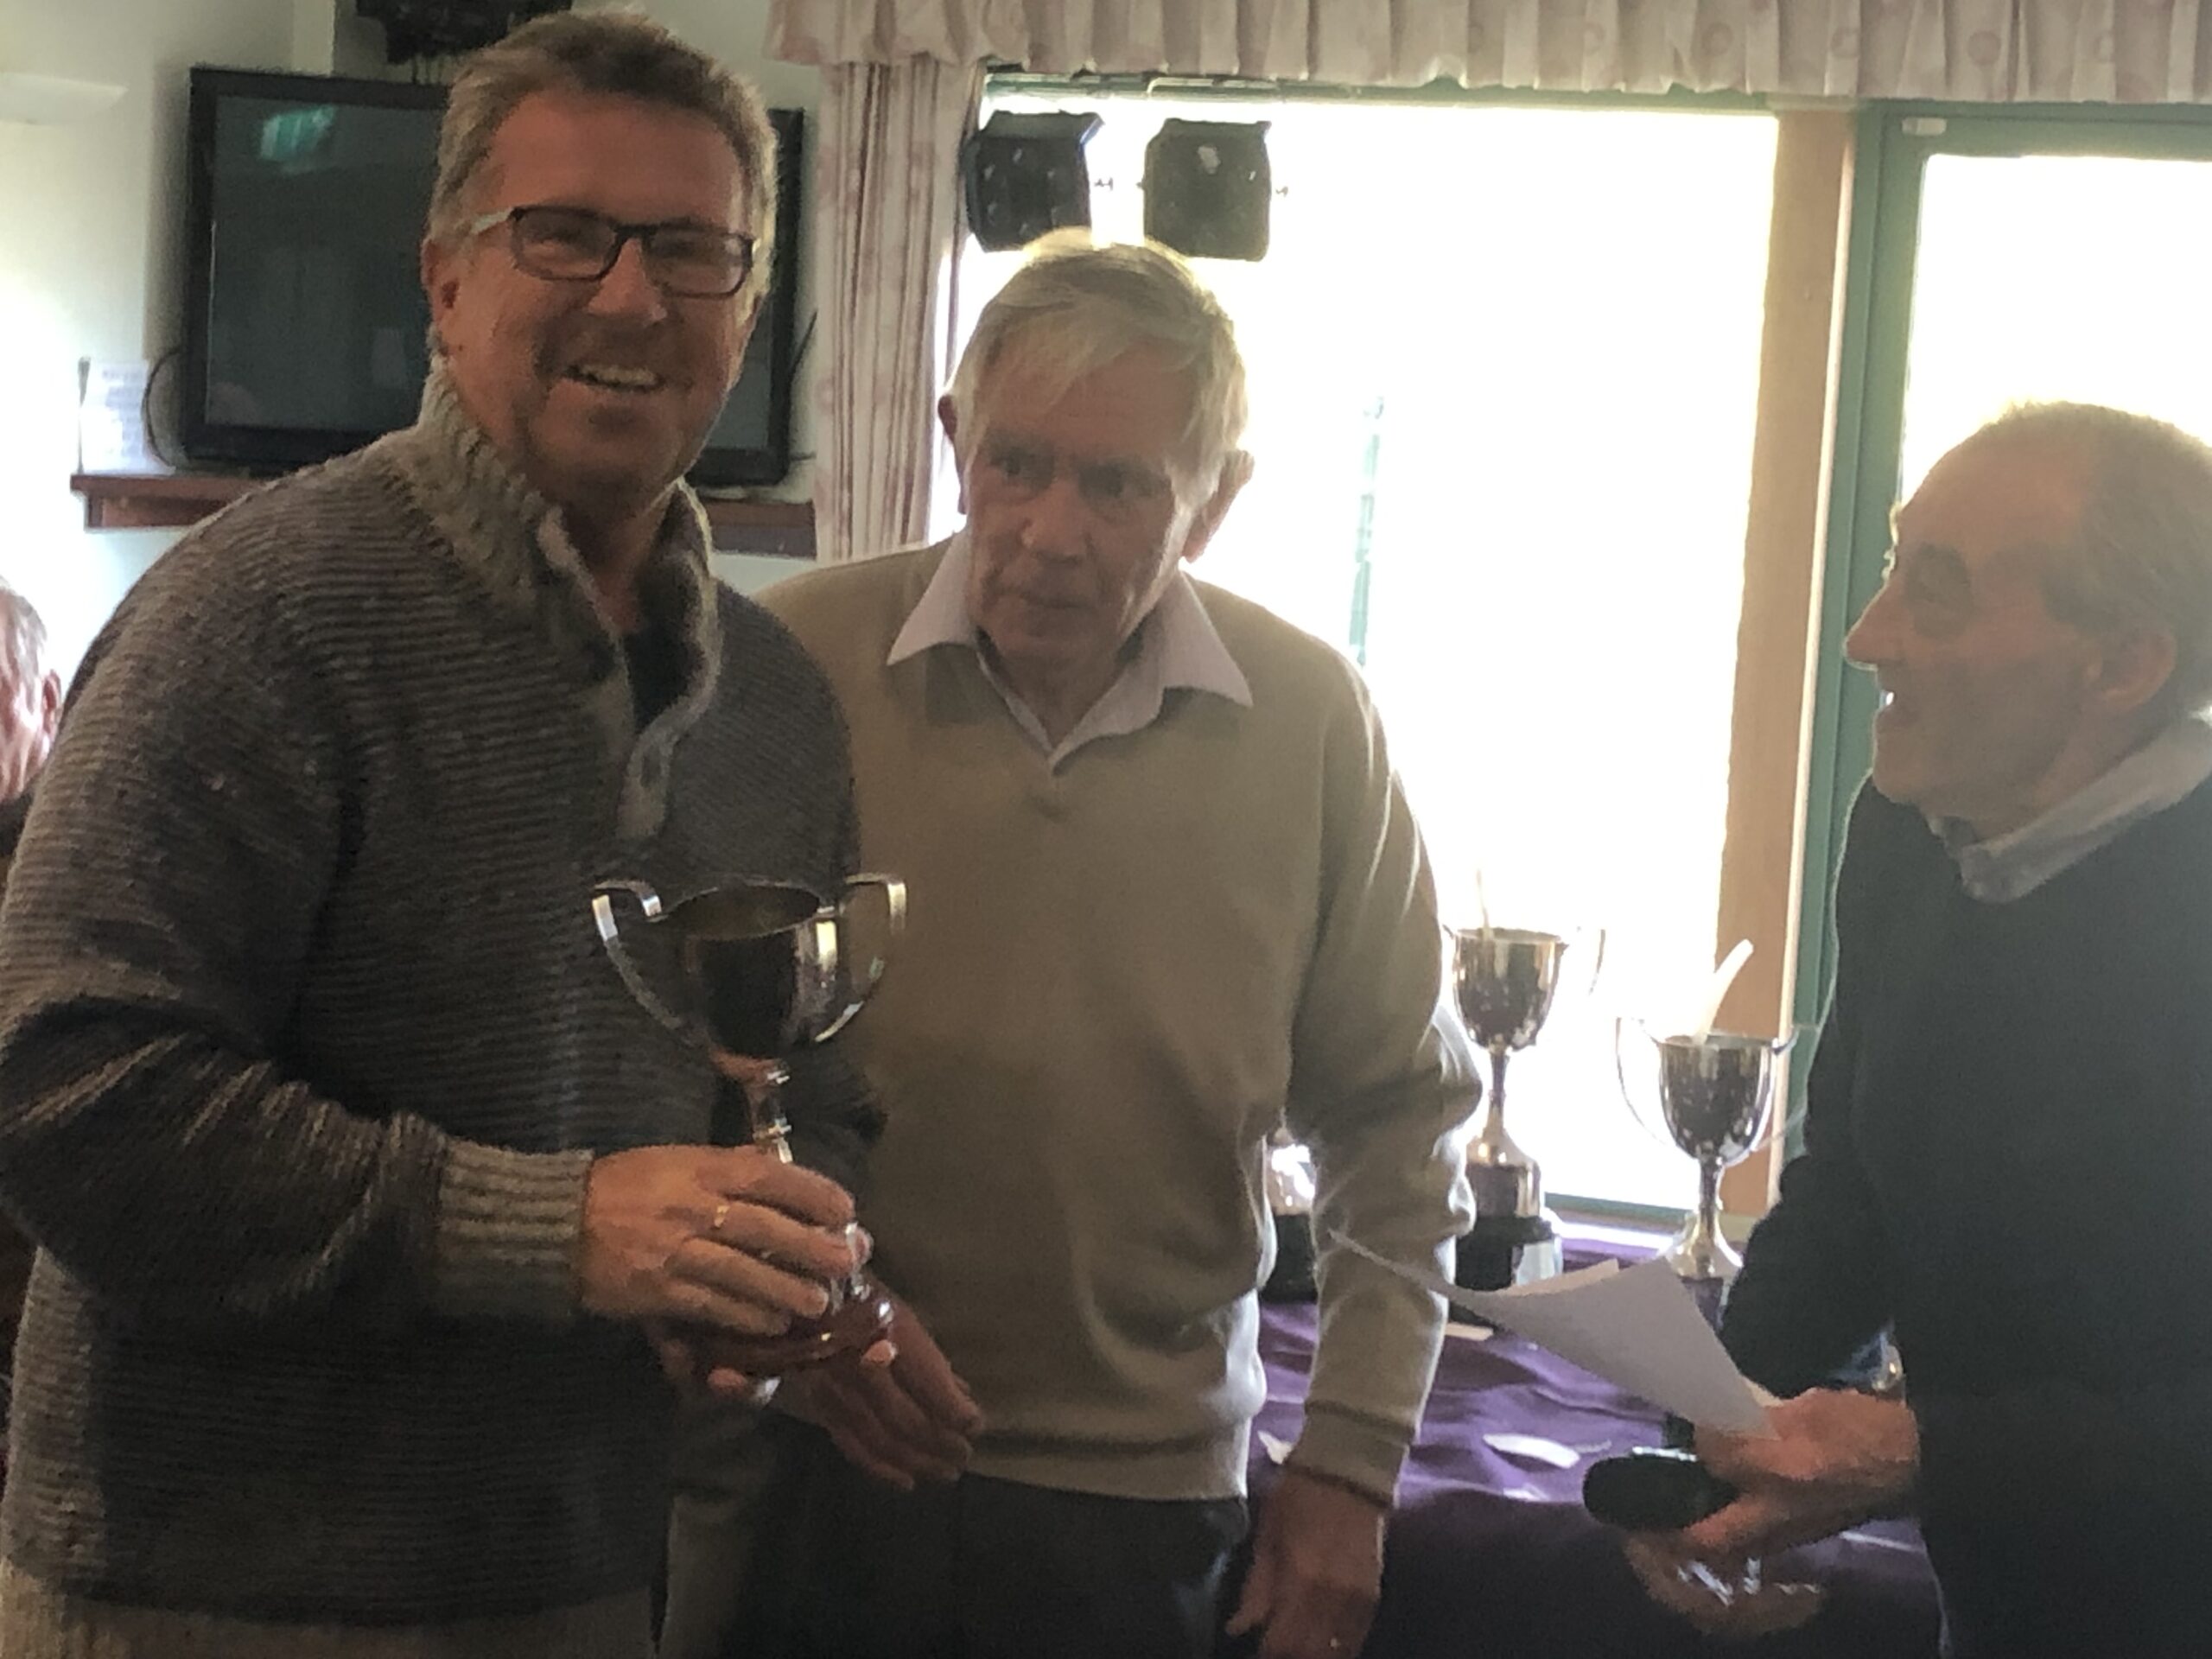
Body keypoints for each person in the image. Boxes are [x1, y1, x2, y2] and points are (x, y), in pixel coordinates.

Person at [0, 13, 874, 1656]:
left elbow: (804, 1092)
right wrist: (561, 1231)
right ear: (445, 279)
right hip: (211, 1601)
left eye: (693, 250)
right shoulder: (250, 616)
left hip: (584, 1574)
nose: (634, 297)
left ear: (749, 310)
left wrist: (778, 1275)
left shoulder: (775, 706)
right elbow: (64, 1097)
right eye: (565, 233)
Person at [697, 236, 1478, 1659]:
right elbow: (679, 1067)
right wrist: (811, 1314)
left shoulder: (1311, 722)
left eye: (1119, 485)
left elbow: (1398, 1120)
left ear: (1215, 500)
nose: (1051, 532)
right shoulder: (790, 663)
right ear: (955, 443)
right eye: (1017, 462)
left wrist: (1353, 1463)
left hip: (1142, 1503)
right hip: (818, 1453)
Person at [1625, 403, 2212, 1656]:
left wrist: (1926, 1449)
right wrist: (1716, 1446)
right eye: (1893, 568)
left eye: (1934, 595)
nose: (1865, 635)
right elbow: (1851, 1193)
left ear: (2123, 665)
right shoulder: (1907, 831)